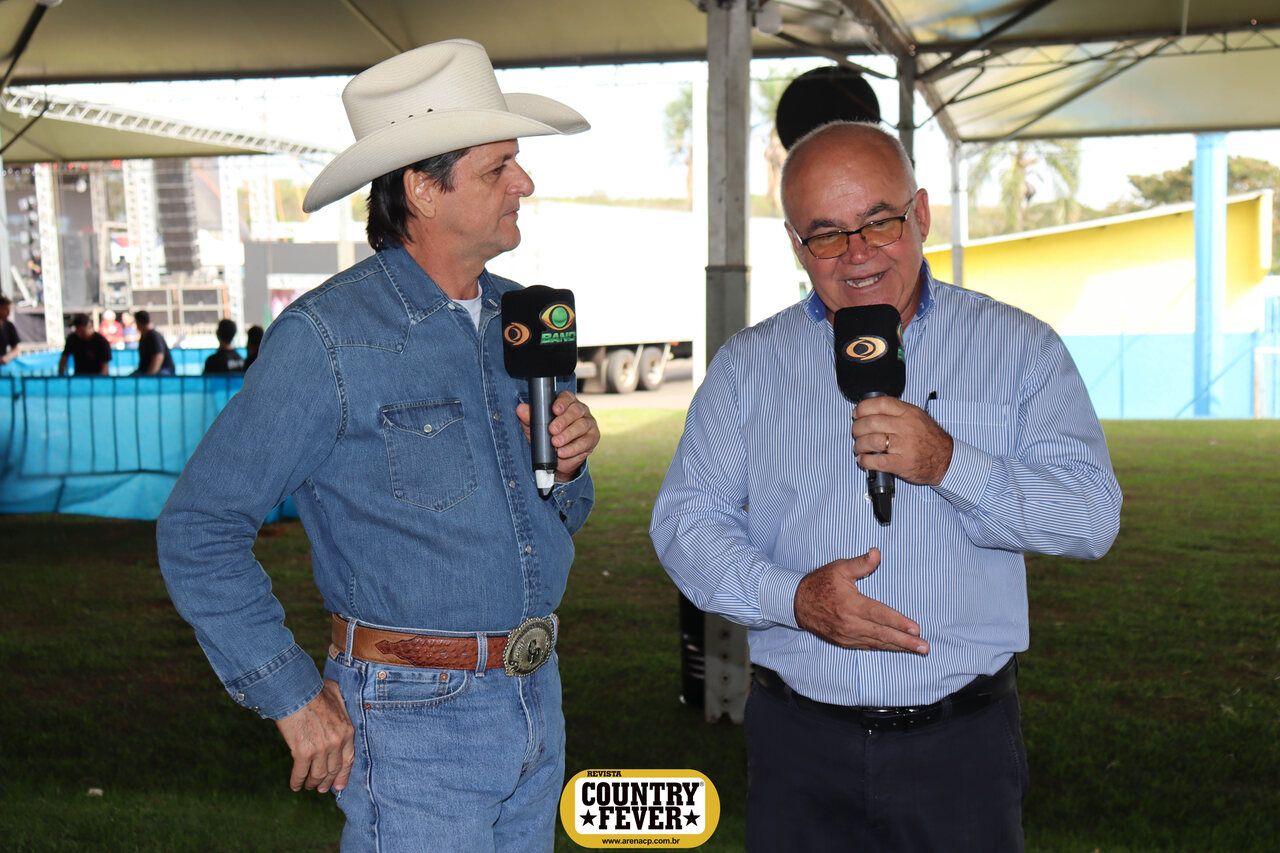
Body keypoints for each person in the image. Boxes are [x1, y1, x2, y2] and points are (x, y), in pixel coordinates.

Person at [157, 39, 598, 852]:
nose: (525, 183)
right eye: (499, 167)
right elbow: (199, 528)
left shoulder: (524, 317)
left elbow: (556, 513)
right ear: (423, 188)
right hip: (412, 720)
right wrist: (291, 694)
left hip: (537, 696)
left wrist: (568, 467)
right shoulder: (326, 338)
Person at [650, 121, 1122, 852]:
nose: (858, 253)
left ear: (921, 214)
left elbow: (1090, 517)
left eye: (879, 222)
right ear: (796, 245)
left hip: (962, 748)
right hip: (799, 746)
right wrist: (794, 599)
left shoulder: (1020, 348)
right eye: (826, 234)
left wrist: (949, 463)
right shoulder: (748, 366)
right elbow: (687, 523)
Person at [133, 310, 175, 375]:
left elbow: (158, 357)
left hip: (164, 370)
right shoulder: (143, 337)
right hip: (146, 370)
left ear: (138, 323)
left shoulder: (154, 336)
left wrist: (150, 377)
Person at [0, 296, 20, 368]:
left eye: (9, 309)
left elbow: (16, 349)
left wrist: (7, 357)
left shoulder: (9, 326)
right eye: (5, 309)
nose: (8, 312)